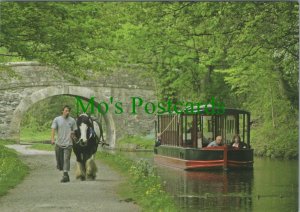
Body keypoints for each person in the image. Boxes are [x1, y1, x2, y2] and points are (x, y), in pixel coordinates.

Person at [51, 105, 77, 183]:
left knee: (66, 159)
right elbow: (53, 129)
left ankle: (65, 175)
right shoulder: (57, 119)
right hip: (59, 143)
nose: (67, 112)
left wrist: (73, 135)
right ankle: (65, 172)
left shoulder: (72, 120)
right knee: (59, 160)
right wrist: (52, 139)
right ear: (62, 111)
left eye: (68, 111)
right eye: (66, 111)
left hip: (68, 144)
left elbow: (74, 131)